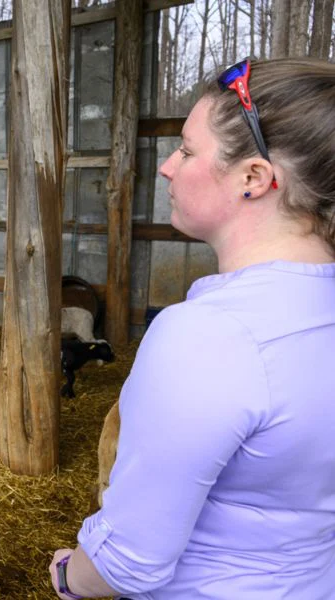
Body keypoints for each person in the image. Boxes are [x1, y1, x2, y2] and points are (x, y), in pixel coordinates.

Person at [50, 58, 335, 599]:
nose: (166, 167)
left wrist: (68, 576)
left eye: (186, 149)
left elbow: (127, 566)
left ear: (253, 177)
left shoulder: (210, 335)